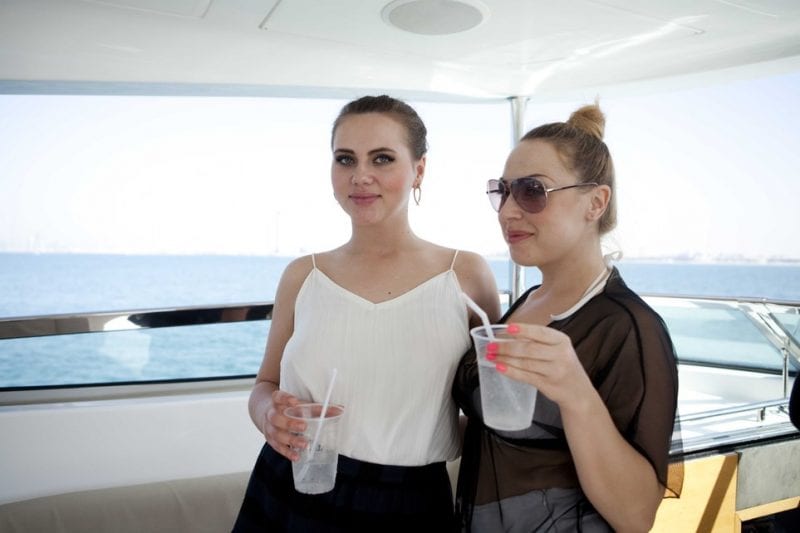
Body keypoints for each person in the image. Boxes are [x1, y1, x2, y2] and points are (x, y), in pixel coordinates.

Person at [232, 95, 501, 532]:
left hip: (413, 502)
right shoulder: (302, 276)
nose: (360, 176)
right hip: (291, 487)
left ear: (419, 170)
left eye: (382, 158)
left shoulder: (466, 275)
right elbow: (265, 385)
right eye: (345, 159)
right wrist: (268, 415)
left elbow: (493, 407)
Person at [452, 103, 683, 532]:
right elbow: (503, 436)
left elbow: (636, 516)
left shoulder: (629, 327)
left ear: (595, 202)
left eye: (532, 191)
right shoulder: (526, 302)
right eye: (503, 191)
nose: (507, 211)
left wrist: (577, 394)